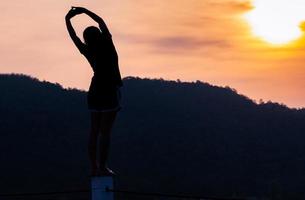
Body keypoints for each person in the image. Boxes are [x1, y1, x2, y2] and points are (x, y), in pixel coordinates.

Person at [65, 7, 123, 176]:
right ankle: (103, 167)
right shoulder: (107, 43)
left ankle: (94, 166)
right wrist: (84, 11)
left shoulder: (87, 50)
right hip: (109, 90)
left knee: (94, 131)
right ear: (99, 34)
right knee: (105, 133)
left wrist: (67, 20)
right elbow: (100, 21)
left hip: (95, 90)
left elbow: (73, 37)